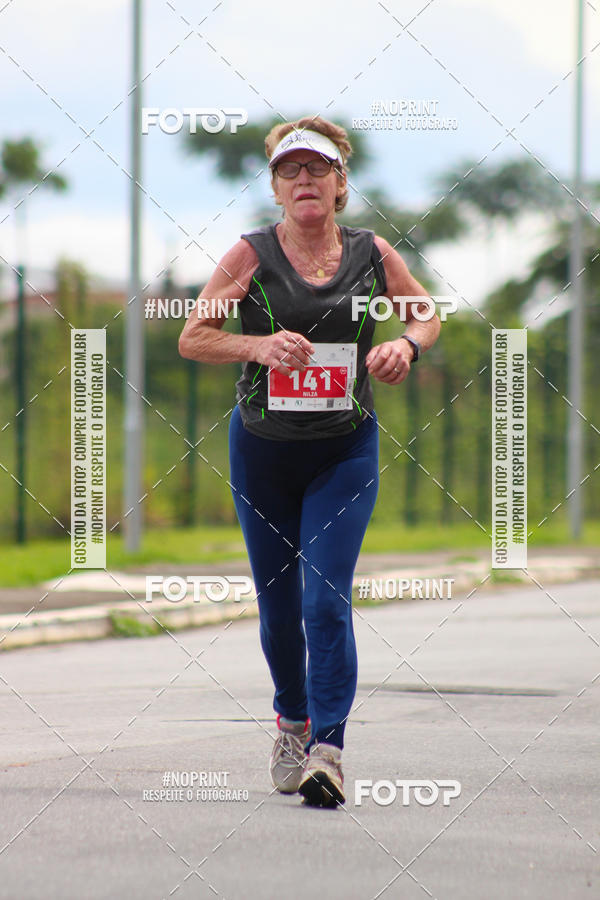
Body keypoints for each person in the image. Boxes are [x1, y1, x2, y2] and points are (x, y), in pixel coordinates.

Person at [178, 116, 440, 808]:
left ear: (339, 183)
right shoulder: (250, 254)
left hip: (343, 450)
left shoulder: (372, 253)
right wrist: (257, 348)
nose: (304, 180)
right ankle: (289, 721)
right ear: (276, 187)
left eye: (317, 169)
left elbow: (425, 314)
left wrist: (405, 348)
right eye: (291, 170)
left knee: (326, 599)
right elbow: (194, 335)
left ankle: (328, 748)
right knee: (277, 608)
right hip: (262, 451)